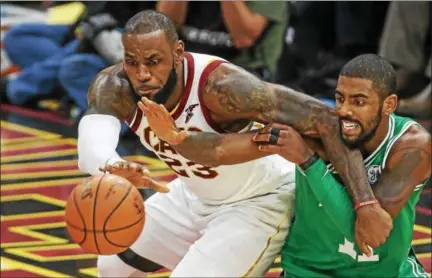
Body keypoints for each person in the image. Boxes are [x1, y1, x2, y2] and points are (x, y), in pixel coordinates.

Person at [77, 11, 392, 276]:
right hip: (191, 194)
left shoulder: (224, 88)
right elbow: (90, 143)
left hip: (257, 202)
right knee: (110, 263)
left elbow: (326, 121)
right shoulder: (115, 87)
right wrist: (113, 165)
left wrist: (365, 203)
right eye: (132, 62)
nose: (142, 74)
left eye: (154, 61)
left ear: (177, 53)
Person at [252, 54, 430, 277]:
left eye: (359, 102)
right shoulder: (316, 125)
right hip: (309, 272)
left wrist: (307, 160)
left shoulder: (412, 146)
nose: (344, 110)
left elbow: (368, 232)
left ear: (389, 104)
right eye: (340, 98)